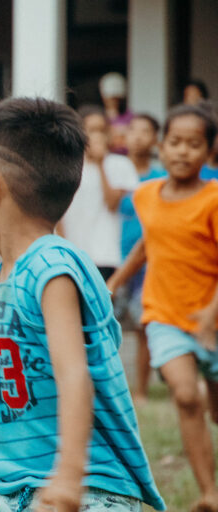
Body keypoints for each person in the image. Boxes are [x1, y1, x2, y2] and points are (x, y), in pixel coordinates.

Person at [0, 97, 165, 512]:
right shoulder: (3, 276)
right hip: (20, 490)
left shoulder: (51, 265)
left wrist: (67, 479)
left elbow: (74, 375)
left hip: (87, 492)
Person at [108, 104, 218, 512]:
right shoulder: (146, 194)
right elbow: (148, 243)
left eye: (194, 144)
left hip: (211, 319)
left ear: (209, 151)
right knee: (186, 396)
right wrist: (115, 282)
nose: (183, 152)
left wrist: (210, 314)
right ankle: (210, 492)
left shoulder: (214, 199)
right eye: (175, 142)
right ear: (161, 146)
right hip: (164, 314)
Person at [118, 114, 167, 403]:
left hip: (150, 262)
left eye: (145, 131)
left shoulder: (161, 177)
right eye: (132, 130)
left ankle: (141, 391)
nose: (137, 136)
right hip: (115, 258)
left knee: (143, 327)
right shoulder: (114, 173)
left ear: (155, 140)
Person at [61, 106, 138, 281]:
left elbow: (113, 204)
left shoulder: (120, 164)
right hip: (74, 253)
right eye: (92, 130)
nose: (97, 136)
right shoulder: (69, 165)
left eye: (101, 130)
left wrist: (101, 163)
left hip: (106, 255)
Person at [99, 72, 133, 154]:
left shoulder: (130, 117)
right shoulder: (99, 117)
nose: (113, 101)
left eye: (116, 98)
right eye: (110, 98)